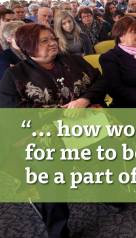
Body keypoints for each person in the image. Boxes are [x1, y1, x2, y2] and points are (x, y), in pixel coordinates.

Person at [0, 22, 114, 237]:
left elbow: (101, 82)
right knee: (51, 180)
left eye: (53, 39)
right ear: (27, 46)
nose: (52, 43)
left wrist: (84, 99)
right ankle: (58, 228)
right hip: (47, 136)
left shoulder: (76, 61)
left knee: (106, 158)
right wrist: (60, 113)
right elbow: (13, 110)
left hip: (86, 126)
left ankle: (108, 194)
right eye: (44, 41)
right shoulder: (15, 75)